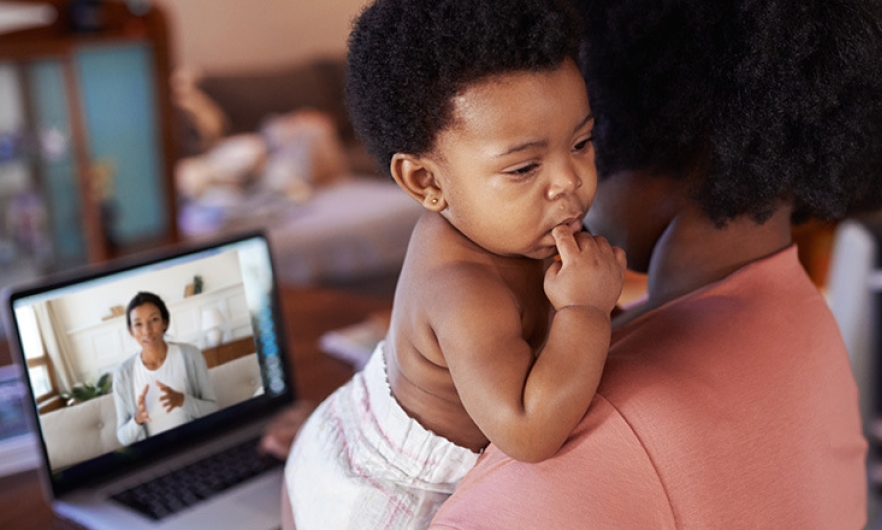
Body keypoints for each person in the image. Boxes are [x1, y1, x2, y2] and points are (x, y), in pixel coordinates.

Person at [428, 0, 882, 528]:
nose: (568, 185)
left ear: (667, 131)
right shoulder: (811, 326)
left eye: (583, 140)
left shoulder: (588, 435)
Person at [280, 0, 626, 528]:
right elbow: (529, 432)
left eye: (581, 142)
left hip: (357, 423)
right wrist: (585, 311)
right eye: (524, 167)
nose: (569, 181)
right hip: (392, 493)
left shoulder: (508, 224)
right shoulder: (465, 290)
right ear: (427, 183)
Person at [113, 291, 218, 445]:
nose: (147, 331)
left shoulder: (191, 355)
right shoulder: (122, 374)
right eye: (138, 324)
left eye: (154, 320)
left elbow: (213, 410)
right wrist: (138, 419)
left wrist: (182, 400)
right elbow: (123, 438)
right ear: (131, 331)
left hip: (194, 445)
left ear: (165, 322)